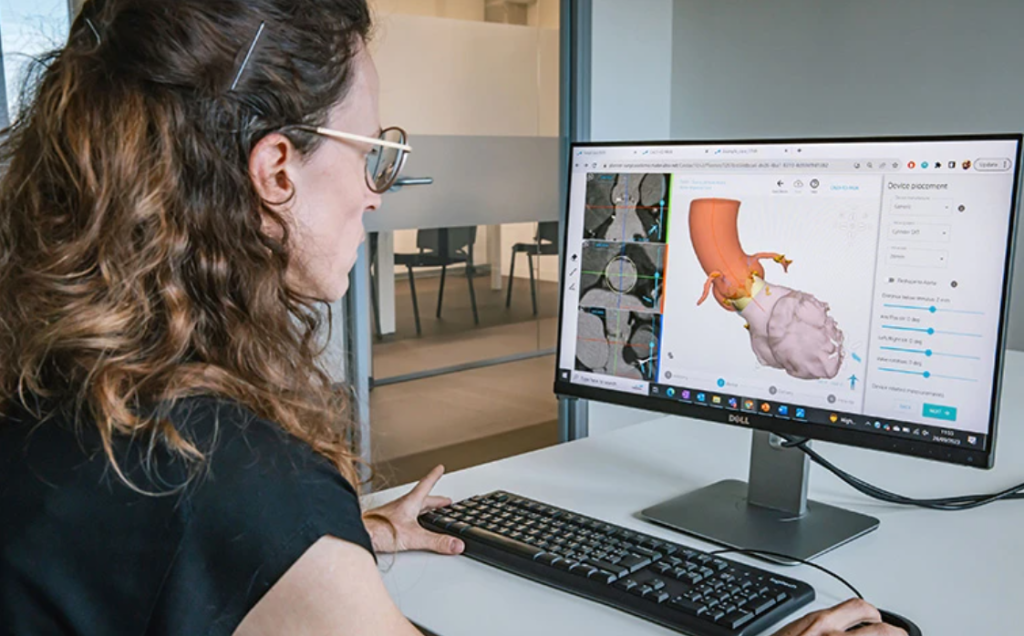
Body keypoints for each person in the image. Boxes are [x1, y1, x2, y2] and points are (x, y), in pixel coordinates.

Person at [0, 1, 905, 635]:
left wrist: (332, 536)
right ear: (276, 170)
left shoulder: (52, 376)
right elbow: (212, 525)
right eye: (375, 155)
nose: (377, 198)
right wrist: (294, 537)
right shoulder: (228, 483)